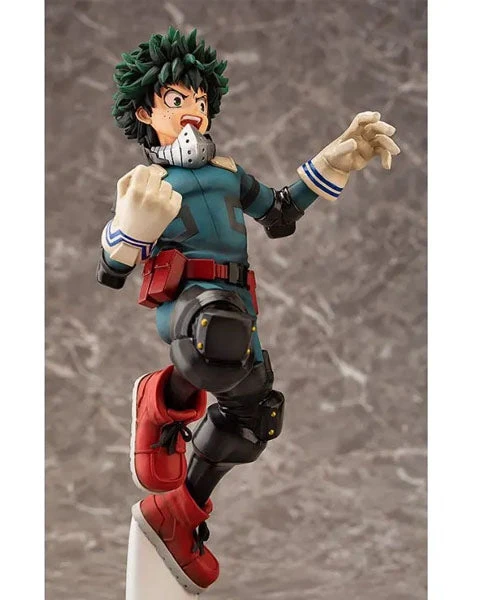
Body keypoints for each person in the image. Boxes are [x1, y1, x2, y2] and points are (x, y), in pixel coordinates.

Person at [97, 26, 400, 594]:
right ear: (145, 112)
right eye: (177, 98)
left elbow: (279, 214)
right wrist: (130, 230)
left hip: (236, 305)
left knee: (257, 417)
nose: (193, 110)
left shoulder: (228, 174)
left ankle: (179, 512)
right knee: (218, 340)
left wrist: (331, 163)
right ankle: (162, 398)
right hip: (190, 309)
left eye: (200, 99)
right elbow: (111, 267)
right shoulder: (147, 183)